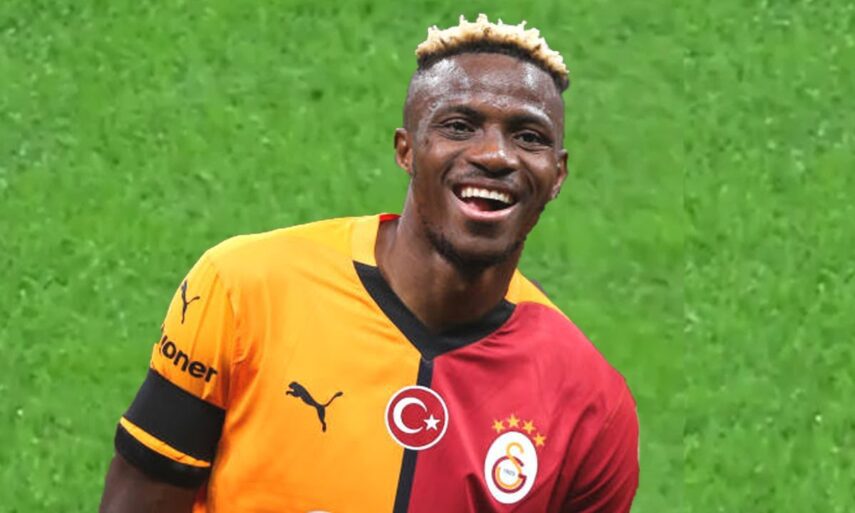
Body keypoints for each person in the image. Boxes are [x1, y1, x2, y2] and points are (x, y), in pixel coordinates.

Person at [99, 13, 639, 513]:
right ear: (407, 150)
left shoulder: (589, 402)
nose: (494, 155)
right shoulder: (246, 289)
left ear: (557, 174)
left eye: (528, 136)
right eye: (459, 126)